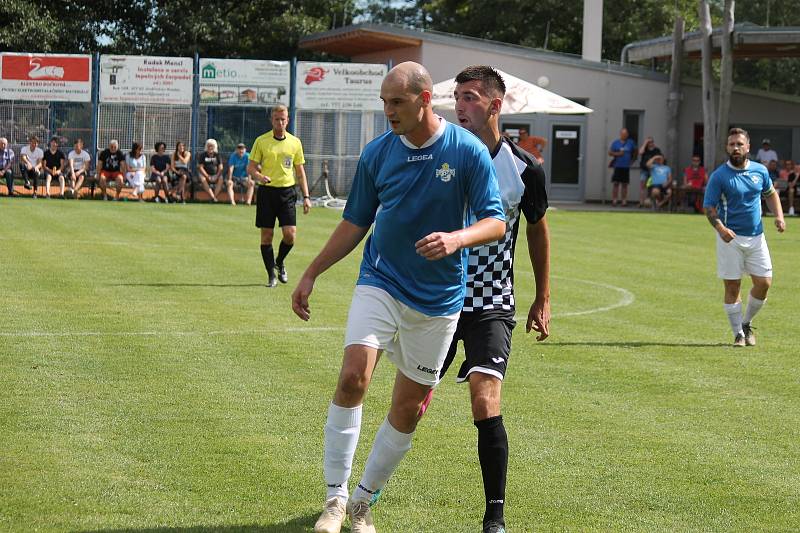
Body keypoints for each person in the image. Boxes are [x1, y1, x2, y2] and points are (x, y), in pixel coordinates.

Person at [291, 61, 505, 533]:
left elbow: (496, 221)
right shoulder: (378, 153)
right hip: (380, 280)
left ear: (424, 99)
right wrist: (311, 273)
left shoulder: (466, 151)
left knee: (407, 408)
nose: (387, 111)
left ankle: (364, 502)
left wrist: (456, 239)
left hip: (439, 299)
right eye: (384, 102)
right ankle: (334, 499)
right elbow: (355, 222)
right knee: (353, 378)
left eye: (396, 102)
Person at [426, 65, 550, 533]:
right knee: (411, 399)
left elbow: (538, 231)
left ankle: (494, 516)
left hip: (493, 300)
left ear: (495, 106)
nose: (459, 105)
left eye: (470, 97)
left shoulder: (525, 169)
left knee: (485, 399)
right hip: (439, 296)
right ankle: (360, 497)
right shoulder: (439, 158)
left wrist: (543, 297)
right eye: (457, 96)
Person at [703, 127, 786, 347]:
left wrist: (779, 216)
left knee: (764, 283)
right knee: (732, 287)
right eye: (731, 144)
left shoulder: (760, 171)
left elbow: (770, 194)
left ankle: (746, 322)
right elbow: (709, 208)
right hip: (730, 239)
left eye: (740, 144)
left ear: (748, 147)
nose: (736, 148)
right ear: (727, 148)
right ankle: (739, 333)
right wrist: (721, 229)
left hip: (757, 237)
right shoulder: (719, 176)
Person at [248, 104, 312, 287]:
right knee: (266, 236)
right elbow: (250, 168)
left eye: (283, 119)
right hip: (267, 192)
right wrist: (260, 176)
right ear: (272, 120)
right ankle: (271, 275)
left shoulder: (295, 142)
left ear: (288, 120)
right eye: (277, 119)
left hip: (287, 192)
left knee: (290, 234)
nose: (280, 122)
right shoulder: (261, 141)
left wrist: (306, 196)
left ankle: (280, 261)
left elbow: (300, 172)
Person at [608, 128, 637, 207]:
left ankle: (624, 201)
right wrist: (618, 154)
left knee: (625, 184)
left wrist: (633, 160)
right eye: (622, 134)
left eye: (625, 134)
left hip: (626, 166)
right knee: (616, 183)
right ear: (620, 134)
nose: (624, 135)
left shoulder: (631, 142)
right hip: (617, 166)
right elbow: (610, 153)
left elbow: (635, 151)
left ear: (627, 135)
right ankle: (614, 200)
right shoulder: (615, 143)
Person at [196, 138, 224, 202]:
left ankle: (214, 197)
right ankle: (213, 197)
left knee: (221, 179)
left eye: (212, 146)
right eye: (209, 146)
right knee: (203, 179)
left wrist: (216, 176)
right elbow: (200, 167)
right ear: (206, 146)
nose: (210, 147)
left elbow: (221, 167)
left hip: (216, 175)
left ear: (215, 147)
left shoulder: (217, 155)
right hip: (205, 174)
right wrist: (207, 176)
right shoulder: (203, 155)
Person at [638, 137, 662, 207]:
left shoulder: (657, 150)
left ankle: (652, 203)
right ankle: (641, 202)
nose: (650, 143)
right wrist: (645, 143)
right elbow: (640, 152)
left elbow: (659, 158)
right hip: (644, 170)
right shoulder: (644, 149)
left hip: (653, 171)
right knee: (643, 186)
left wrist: (653, 162)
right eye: (649, 142)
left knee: (653, 186)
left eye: (651, 142)